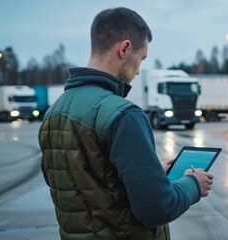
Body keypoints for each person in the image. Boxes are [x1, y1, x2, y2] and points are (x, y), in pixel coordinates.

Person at [38, 7, 214, 240]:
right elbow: (156, 208)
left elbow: (77, 183)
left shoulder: (53, 114)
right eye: (141, 58)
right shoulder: (124, 115)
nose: (139, 70)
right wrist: (193, 184)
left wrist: (150, 173)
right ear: (125, 49)